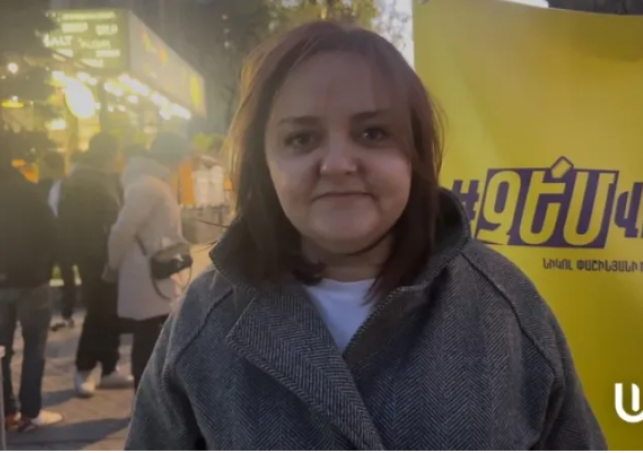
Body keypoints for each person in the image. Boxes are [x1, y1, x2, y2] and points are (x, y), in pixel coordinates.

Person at [126, 21, 606, 450]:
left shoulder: (505, 307)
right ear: (264, 164)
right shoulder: (205, 321)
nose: (337, 164)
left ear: (416, 154)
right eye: (301, 139)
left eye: (373, 133)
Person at [0, 133, 63, 431]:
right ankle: (31, 413)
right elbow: (52, 231)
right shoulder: (27, 190)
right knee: (34, 345)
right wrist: (46, 267)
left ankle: (5, 412)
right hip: (32, 279)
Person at [106, 133, 191, 391]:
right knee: (148, 339)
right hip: (147, 275)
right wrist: (112, 265)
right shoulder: (148, 185)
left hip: (153, 274)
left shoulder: (151, 182)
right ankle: (145, 399)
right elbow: (122, 230)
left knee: (154, 337)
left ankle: (152, 397)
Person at [59, 133, 133, 397]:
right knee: (98, 312)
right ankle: (84, 368)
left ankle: (109, 367)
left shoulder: (104, 178)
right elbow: (77, 225)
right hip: (94, 258)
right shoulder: (82, 181)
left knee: (110, 311)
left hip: (106, 255)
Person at [38, 152, 77, 330]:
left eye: (43, 166)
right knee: (44, 275)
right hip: (47, 238)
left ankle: (67, 312)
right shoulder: (42, 187)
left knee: (67, 275)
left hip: (65, 237)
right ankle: (44, 312)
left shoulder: (69, 186)